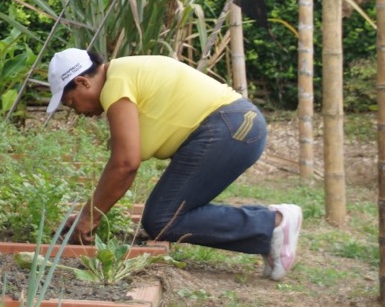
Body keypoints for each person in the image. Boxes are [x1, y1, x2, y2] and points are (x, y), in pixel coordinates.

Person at [47, 48, 302, 281]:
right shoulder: (122, 74)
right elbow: (122, 160)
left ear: (83, 82)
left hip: (230, 128)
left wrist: (88, 218)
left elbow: (125, 164)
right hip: (233, 125)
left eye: (71, 103)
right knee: (165, 214)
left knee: (163, 218)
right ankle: (270, 229)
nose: (77, 112)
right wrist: (89, 214)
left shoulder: (116, 84)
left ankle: (273, 225)